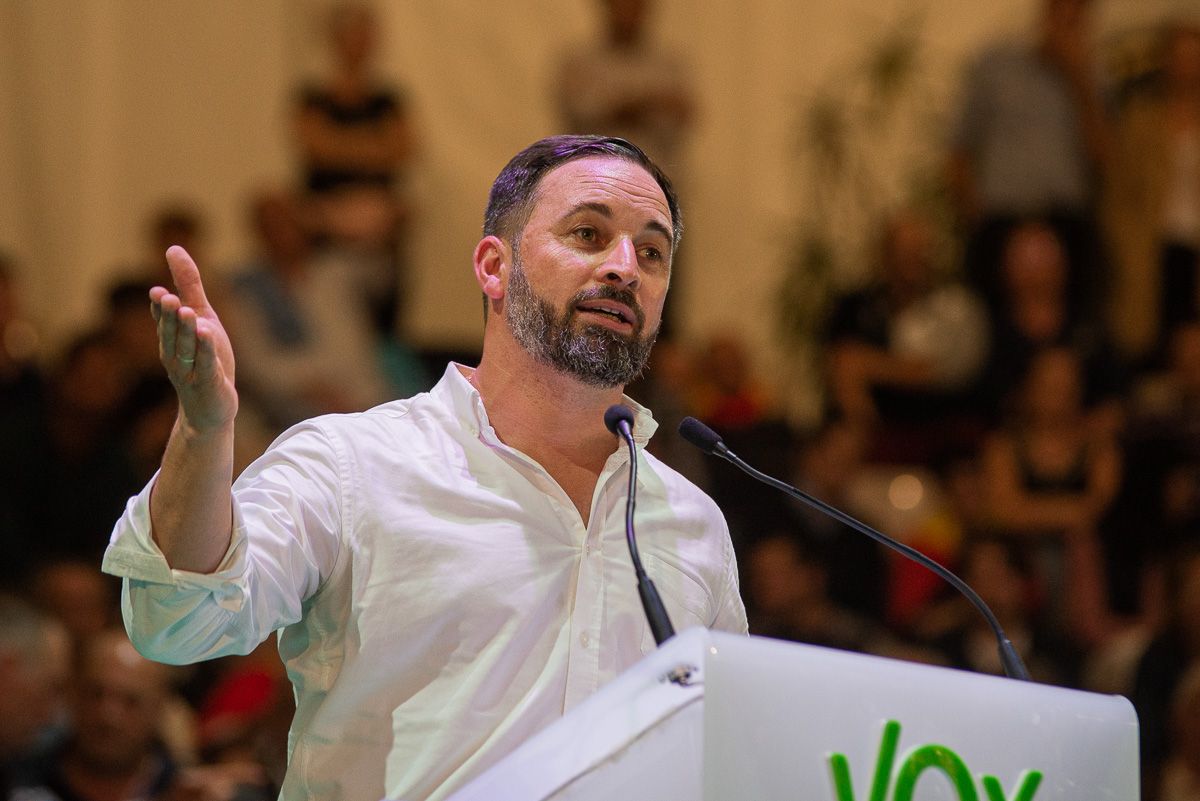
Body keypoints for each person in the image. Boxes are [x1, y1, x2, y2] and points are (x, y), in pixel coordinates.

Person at [102, 135, 747, 801]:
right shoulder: (353, 465)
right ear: (494, 267)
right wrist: (206, 431)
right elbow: (174, 617)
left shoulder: (691, 522)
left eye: (652, 251)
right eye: (588, 233)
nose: (624, 267)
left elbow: (730, 758)